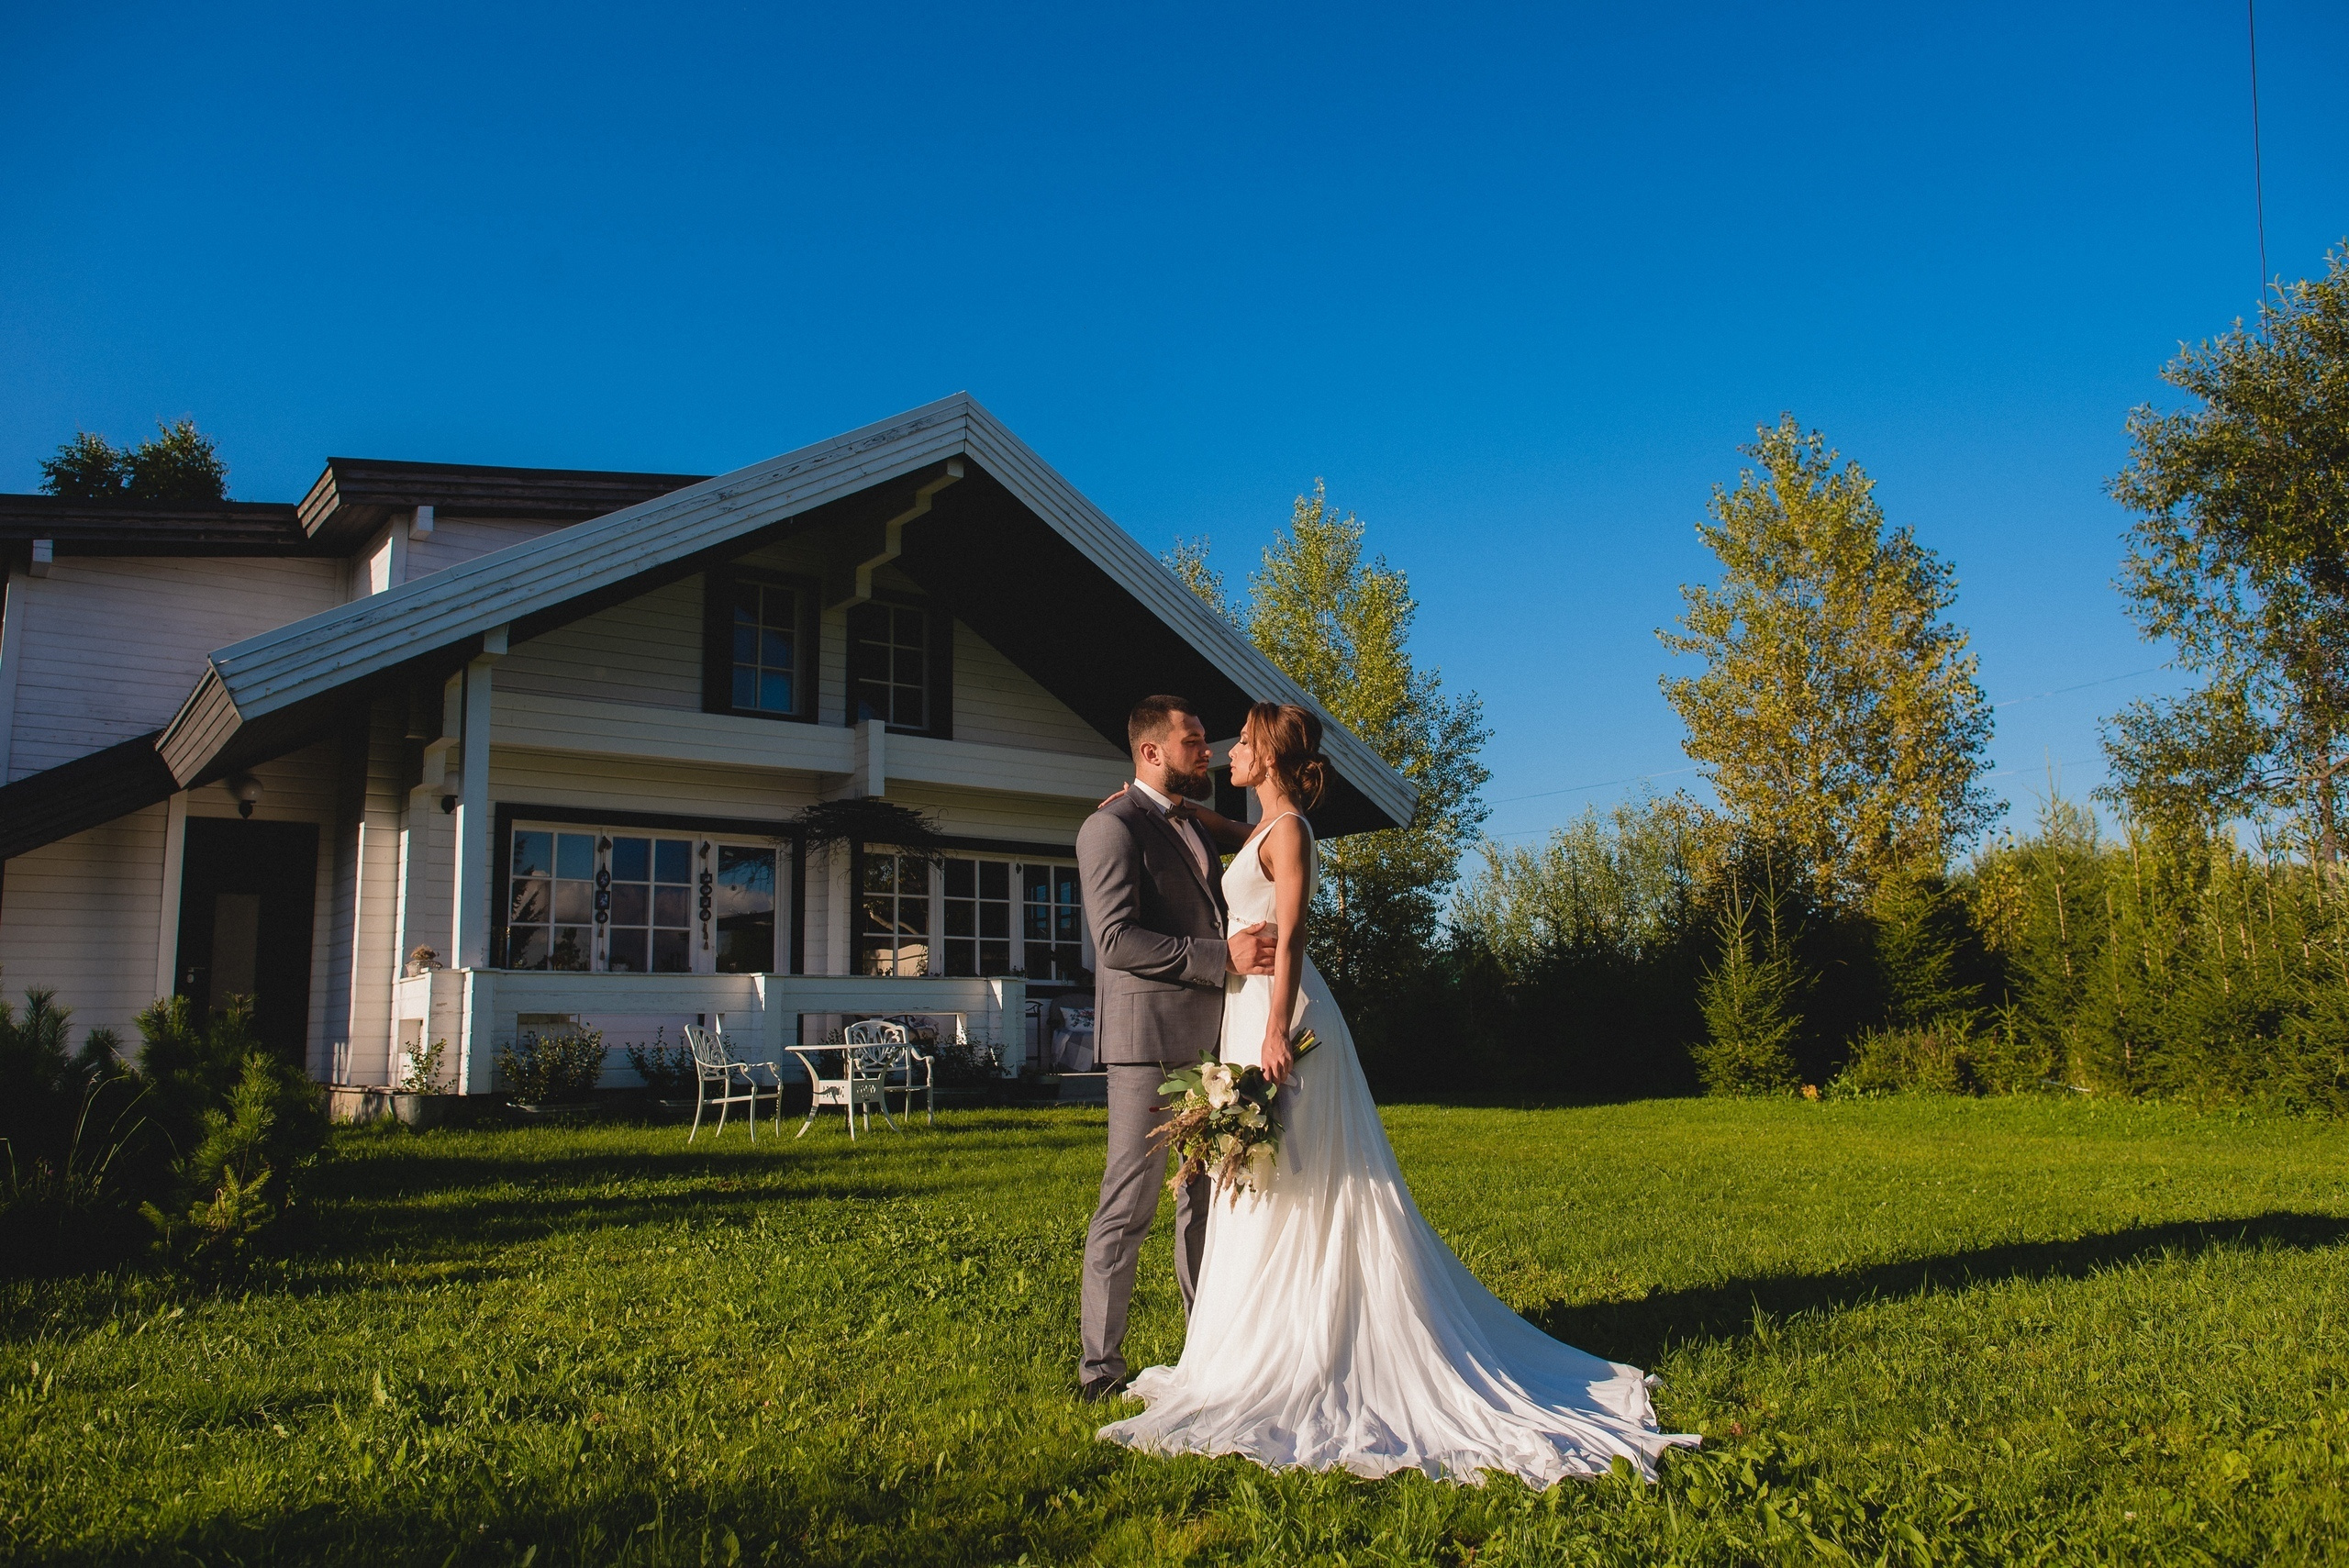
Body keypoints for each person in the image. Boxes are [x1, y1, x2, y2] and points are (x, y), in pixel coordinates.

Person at [1097, 701, 1699, 1485]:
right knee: (1266, 1186)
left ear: (1269, 760)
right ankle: (1260, 1338)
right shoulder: (1253, 828)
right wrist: (1143, 801)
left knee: (1308, 1183)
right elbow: (1204, 821)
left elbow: (1295, 931)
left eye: (1241, 743)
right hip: (1242, 1018)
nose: (1224, 750)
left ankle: (1326, 1340)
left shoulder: (1288, 834)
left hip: (1282, 1021)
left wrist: (1276, 1027)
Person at [1074, 695, 1278, 1404]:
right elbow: (1117, 941)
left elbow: (1269, 831)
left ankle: (1205, 1349)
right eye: (1194, 742)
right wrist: (1223, 955)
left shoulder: (1190, 819)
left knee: (1203, 1201)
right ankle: (1100, 1368)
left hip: (1209, 1043)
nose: (1210, 752)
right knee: (1129, 1203)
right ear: (1151, 752)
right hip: (1146, 1045)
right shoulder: (1109, 827)